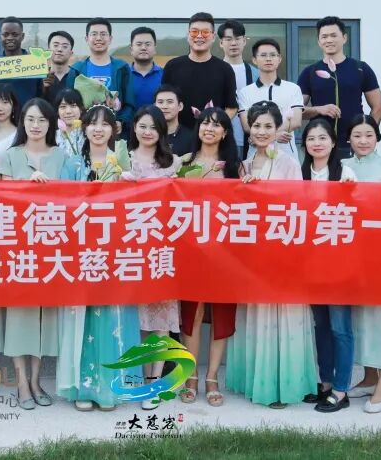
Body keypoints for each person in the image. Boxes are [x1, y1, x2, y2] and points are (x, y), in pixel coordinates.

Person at [226, 101, 316, 410]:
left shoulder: (289, 164)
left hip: (282, 250)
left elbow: (298, 206)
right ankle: (258, 380)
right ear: (249, 129)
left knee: (284, 315)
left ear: (278, 129)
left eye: (268, 126)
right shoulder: (243, 166)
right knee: (258, 314)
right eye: (256, 126)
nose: (262, 131)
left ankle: (285, 384)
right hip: (252, 253)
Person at [58, 105, 139, 412]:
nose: (98, 129)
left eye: (105, 124)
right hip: (81, 250)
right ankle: (83, 386)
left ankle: (109, 387)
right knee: (83, 316)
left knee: (112, 315)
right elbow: (61, 204)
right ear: (84, 128)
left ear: (114, 130)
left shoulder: (123, 164)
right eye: (93, 123)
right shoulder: (72, 163)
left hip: (114, 249)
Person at [0, 98, 64, 410]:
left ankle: (36, 380)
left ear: (51, 124)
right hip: (18, 249)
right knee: (19, 317)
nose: (36, 125)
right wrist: (26, 184)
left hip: (51, 249)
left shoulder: (62, 156)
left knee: (45, 317)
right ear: (23, 122)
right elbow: (3, 200)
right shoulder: (9, 156)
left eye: (42, 120)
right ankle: (21, 382)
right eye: (31, 119)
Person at [178, 107, 242, 407]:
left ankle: (212, 377)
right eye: (205, 123)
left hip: (225, 251)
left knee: (222, 313)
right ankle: (190, 375)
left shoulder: (236, 167)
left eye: (217, 125)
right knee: (192, 312)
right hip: (191, 250)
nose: (209, 128)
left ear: (225, 133)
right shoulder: (183, 163)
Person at [340, 115, 381, 413]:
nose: (363, 140)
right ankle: (368, 376)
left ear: (377, 137)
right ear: (348, 139)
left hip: (380, 252)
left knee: (380, 318)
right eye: (357, 135)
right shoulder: (342, 165)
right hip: (349, 252)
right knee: (359, 319)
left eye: (368, 134)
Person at [123, 105, 179, 410]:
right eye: (142, 126)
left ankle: (154, 382)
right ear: (134, 127)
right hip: (129, 250)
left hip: (163, 250)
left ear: (162, 131)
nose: (147, 132)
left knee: (160, 320)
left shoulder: (173, 164)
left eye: (154, 127)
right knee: (139, 319)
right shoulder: (122, 158)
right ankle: (140, 378)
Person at [300, 117, 356, 413]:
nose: (317, 143)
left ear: (333, 143)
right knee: (320, 325)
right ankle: (325, 382)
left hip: (338, 264)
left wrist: (350, 190)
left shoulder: (345, 173)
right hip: (309, 263)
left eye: (323, 138)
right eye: (311, 138)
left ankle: (342, 389)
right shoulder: (299, 174)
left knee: (340, 327)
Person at [297, 17, 381, 160]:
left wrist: (365, 135)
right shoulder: (310, 72)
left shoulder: (360, 68)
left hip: (353, 144)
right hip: (320, 144)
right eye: (324, 36)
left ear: (344, 38)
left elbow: (378, 107)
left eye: (333, 35)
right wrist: (319, 109)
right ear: (319, 41)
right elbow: (297, 111)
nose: (329, 40)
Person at [161, 12, 238, 132]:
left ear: (213, 36)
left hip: (212, 136)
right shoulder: (173, 66)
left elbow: (232, 108)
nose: (199, 36)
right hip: (178, 135)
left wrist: (214, 127)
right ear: (188, 35)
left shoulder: (225, 69)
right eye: (194, 32)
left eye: (205, 32)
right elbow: (163, 102)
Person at [237, 38, 303, 160]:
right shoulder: (245, 92)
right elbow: (246, 126)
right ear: (254, 60)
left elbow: (296, 121)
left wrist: (268, 135)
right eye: (263, 55)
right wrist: (274, 136)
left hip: (287, 155)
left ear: (279, 59)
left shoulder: (293, 88)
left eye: (273, 55)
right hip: (256, 155)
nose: (268, 59)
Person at [68, 18, 135, 127]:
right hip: (85, 130)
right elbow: (70, 103)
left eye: (103, 34)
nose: (98, 38)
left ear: (110, 39)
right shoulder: (76, 70)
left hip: (114, 131)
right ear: (86, 39)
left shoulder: (122, 68)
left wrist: (121, 121)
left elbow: (129, 103)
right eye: (94, 34)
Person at [217, 20, 256, 156]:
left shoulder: (256, 73)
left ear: (244, 41)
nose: (233, 43)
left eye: (237, 39)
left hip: (250, 139)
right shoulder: (212, 71)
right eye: (228, 39)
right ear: (221, 43)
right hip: (219, 137)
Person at [0, 17, 39, 105]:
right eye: (5, 34)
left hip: (28, 113)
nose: (10, 38)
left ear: (22, 36)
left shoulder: (35, 63)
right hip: (0, 113)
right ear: (0, 36)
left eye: (15, 34)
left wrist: (47, 86)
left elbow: (42, 94)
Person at [154, 84, 196, 157]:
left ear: (180, 106)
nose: (164, 106)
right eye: (160, 102)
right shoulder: (148, 134)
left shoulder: (191, 137)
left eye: (170, 102)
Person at [129, 26, 163, 109]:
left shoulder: (165, 75)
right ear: (131, 49)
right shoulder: (123, 74)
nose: (143, 48)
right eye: (139, 44)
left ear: (155, 49)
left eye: (148, 44)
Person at [40, 30, 77, 104]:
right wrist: (44, 89)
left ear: (71, 53)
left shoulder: (77, 76)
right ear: (48, 50)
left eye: (65, 46)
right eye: (55, 45)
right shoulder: (40, 76)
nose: (59, 49)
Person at [53, 89, 85, 157]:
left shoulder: (88, 135)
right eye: (63, 107)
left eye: (73, 106)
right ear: (57, 111)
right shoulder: (52, 136)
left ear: (81, 109)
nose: (68, 111)